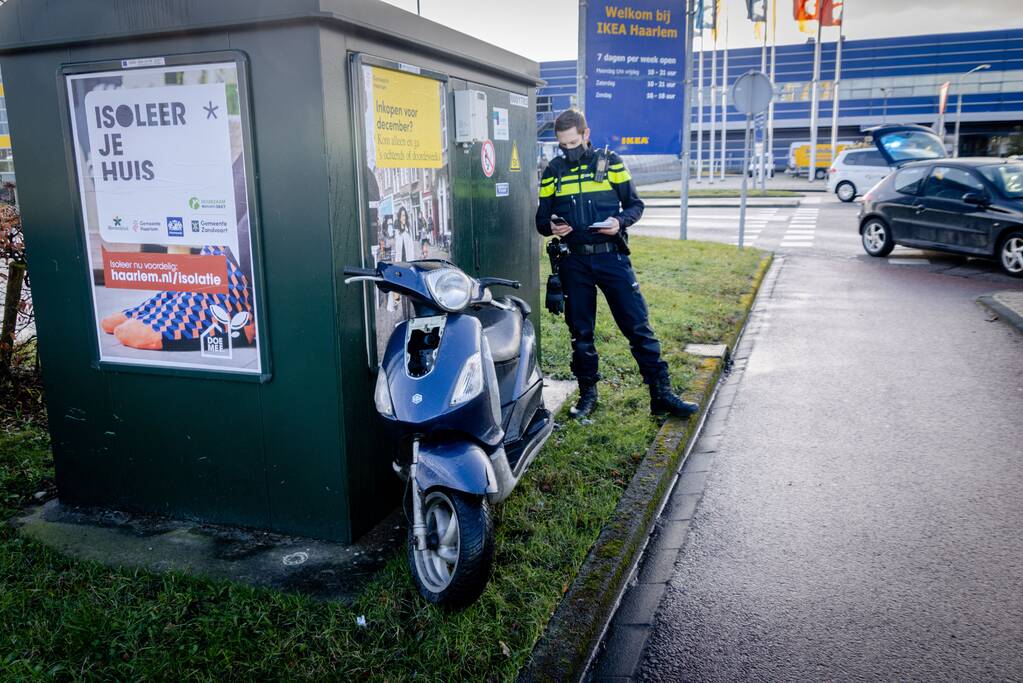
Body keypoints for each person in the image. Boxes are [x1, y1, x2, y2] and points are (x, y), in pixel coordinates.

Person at [535, 108, 699, 420]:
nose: (569, 150)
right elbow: (541, 220)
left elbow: (636, 205)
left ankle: (661, 393)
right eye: (563, 145)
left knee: (638, 326)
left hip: (612, 256)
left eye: (573, 143)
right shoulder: (553, 171)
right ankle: (587, 396)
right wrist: (552, 226)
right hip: (574, 261)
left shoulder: (611, 162)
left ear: (586, 134)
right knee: (580, 332)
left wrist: (619, 222)